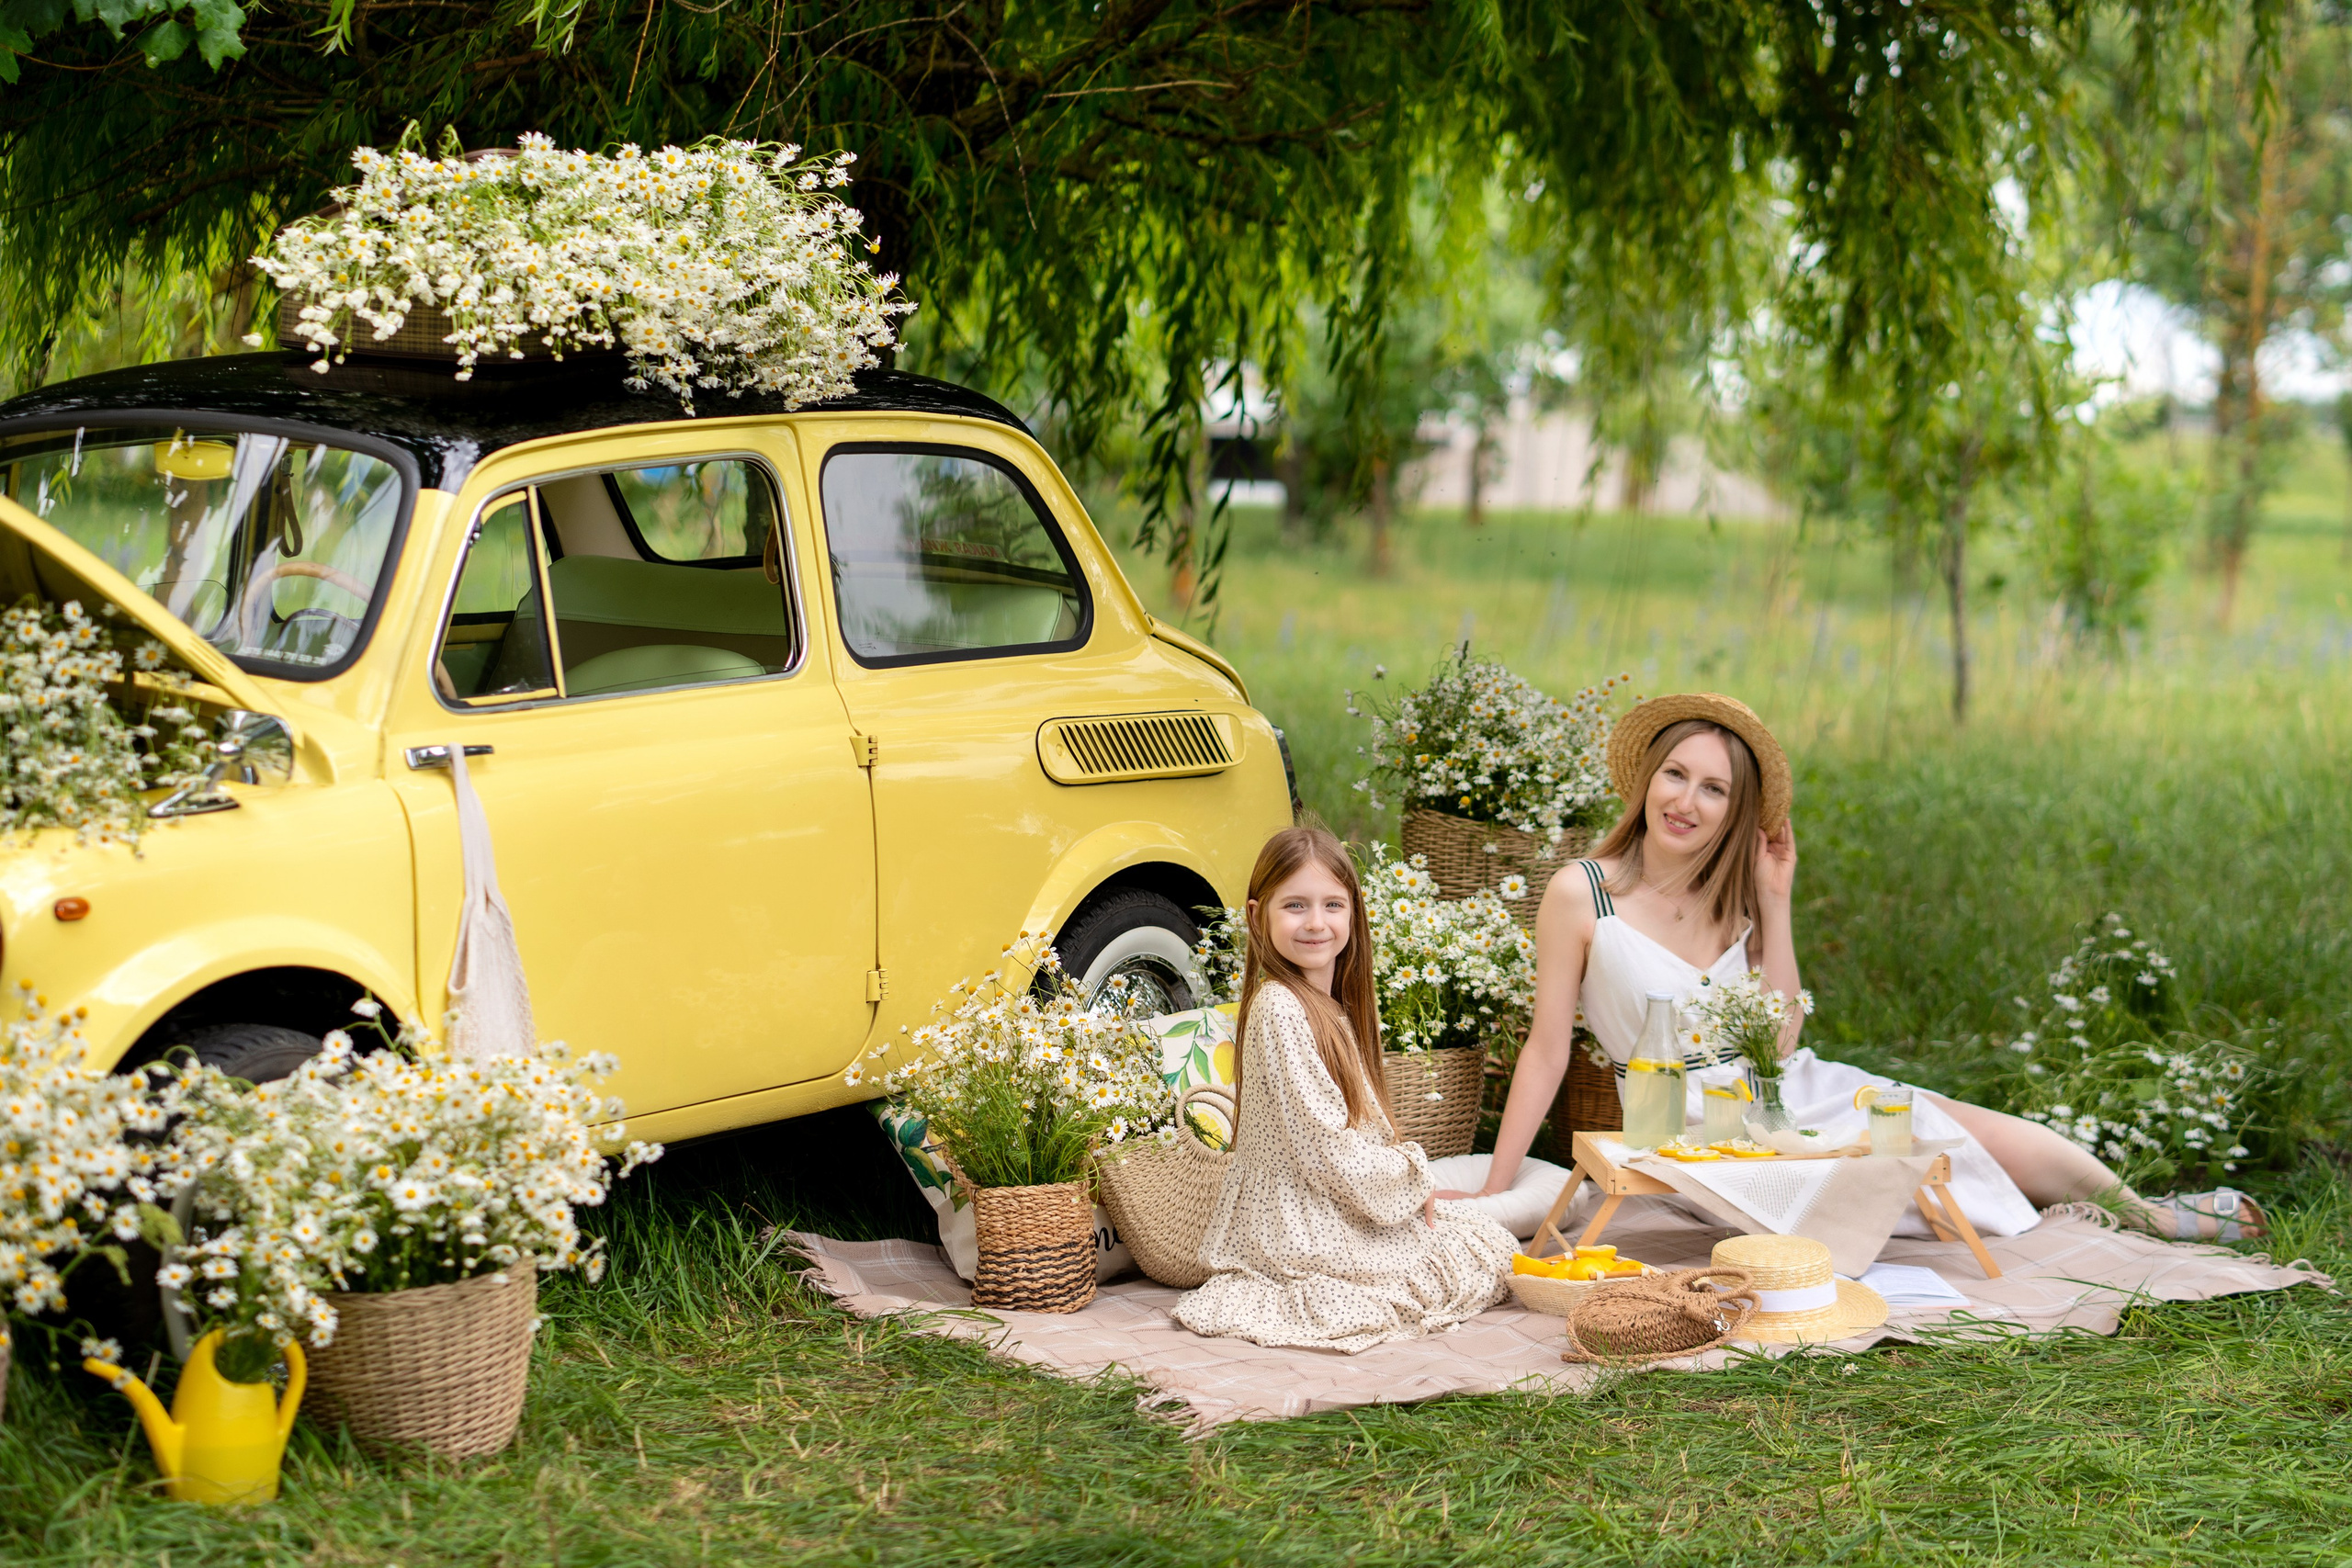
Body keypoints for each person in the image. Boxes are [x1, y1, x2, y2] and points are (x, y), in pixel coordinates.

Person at [1441, 693, 2267, 1245]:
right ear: (1648, 780)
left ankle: (2146, 1215)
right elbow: (1549, 1049)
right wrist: (1498, 1185)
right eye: (1675, 775)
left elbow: (1784, 1033)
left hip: (1783, 1091)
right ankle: (2093, 1214)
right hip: (1688, 1128)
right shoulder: (1580, 893)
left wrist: (1777, 899)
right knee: (1905, 1173)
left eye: (1715, 789)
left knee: (1956, 1122)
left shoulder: (1737, 898)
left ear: (1738, 813)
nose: (1686, 801)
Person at [1174, 824, 1520, 1352]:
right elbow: (1327, 1147)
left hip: (1329, 1201)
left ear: (1354, 914)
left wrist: (1408, 1187)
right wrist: (1413, 1178)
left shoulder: (1330, 1008)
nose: (1316, 923)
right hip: (1297, 1224)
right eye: (1295, 906)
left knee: (1481, 1236)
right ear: (1256, 916)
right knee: (1474, 1251)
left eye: (1333, 905)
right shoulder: (1279, 1007)